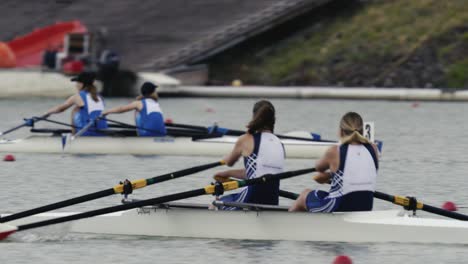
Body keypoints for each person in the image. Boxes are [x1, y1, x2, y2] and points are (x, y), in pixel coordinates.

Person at [289, 112, 378, 212]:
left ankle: (287, 224)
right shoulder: (373, 149)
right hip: (366, 206)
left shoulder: (335, 151)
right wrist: (332, 175)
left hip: (339, 206)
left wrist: (329, 175)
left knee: (304, 195)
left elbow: (318, 168)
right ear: (362, 131)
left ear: (341, 132)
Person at [213, 100, 285, 209]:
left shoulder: (246, 139)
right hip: (272, 200)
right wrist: (228, 173)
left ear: (254, 117)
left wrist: (226, 167)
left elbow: (229, 162)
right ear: (273, 120)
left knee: (215, 205)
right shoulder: (280, 143)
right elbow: (257, 171)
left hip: (252, 197)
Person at [45, 71, 108, 136]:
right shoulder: (100, 97)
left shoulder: (78, 96)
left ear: (82, 84)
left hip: (87, 132)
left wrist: (47, 112)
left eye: (77, 82)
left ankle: (73, 136)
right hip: (103, 132)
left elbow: (60, 109)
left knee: (74, 111)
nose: (76, 85)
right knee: (78, 109)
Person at [102, 82, 166, 137]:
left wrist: (107, 112)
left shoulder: (139, 103)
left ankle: (138, 138)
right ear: (153, 93)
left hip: (148, 134)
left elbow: (121, 109)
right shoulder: (156, 104)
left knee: (137, 112)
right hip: (162, 133)